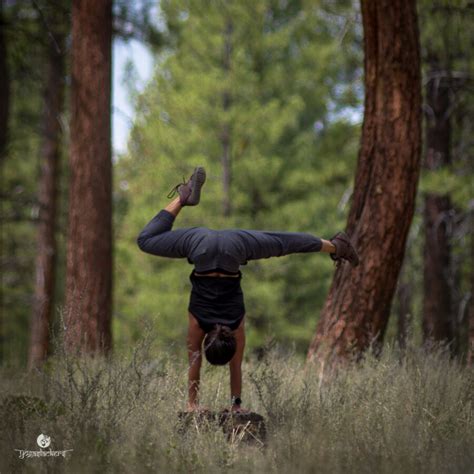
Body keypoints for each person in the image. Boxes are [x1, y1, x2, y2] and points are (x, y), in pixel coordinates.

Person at [137, 167, 359, 413]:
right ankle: (184, 197)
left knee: (281, 243)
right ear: (208, 341)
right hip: (202, 247)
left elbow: (235, 366)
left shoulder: (235, 325)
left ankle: (336, 246)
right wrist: (193, 404)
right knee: (146, 240)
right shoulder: (198, 324)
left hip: (234, 250)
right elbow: (195, 361)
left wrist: (230, 406)